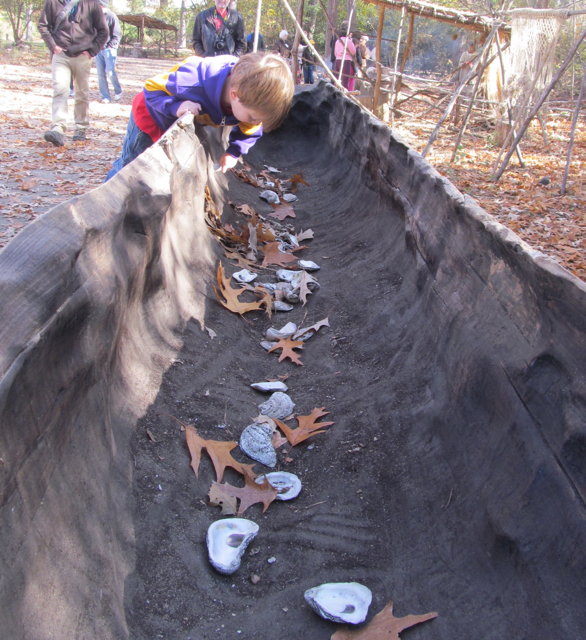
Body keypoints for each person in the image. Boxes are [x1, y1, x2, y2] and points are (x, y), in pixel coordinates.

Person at [106, 53, 294, 180]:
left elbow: (250, 130)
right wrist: (176, 106)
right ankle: (109, 198)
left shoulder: (247, 102)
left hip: (173, 124)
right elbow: (151, 89)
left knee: (154, 168)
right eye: (253, 117)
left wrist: (234, 152)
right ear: (235, 95)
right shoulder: (191, 82)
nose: (254, 122)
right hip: (151, 115)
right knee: (130, 163)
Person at [38, 0, 108, 146]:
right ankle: (58, 128)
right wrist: (53, 46)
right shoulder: (52, 2)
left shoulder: (92, 4)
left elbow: (103, 31)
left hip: (83, 55)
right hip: (61, 54)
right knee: (60, 89)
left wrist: (92, 51)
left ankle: (80, 127)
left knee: (82, 93)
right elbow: (43, 25)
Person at [95, 0, 122, 104]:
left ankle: (118, 90)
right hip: (98, 49)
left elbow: (117, 34)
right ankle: (105, 96)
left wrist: (111, 46)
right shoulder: (95, 17)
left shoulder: (111, 16)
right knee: (100, 74)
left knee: (109, 72)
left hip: (109, 49)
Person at [334, 25, 356, 90]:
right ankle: (343, 93)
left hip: (337, 60)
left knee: (338, 78)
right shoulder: (348, 41)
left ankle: (336, 90)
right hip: (345, 61)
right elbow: (353, 51)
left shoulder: (338, 41)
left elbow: (335, 52)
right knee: (344, 79)